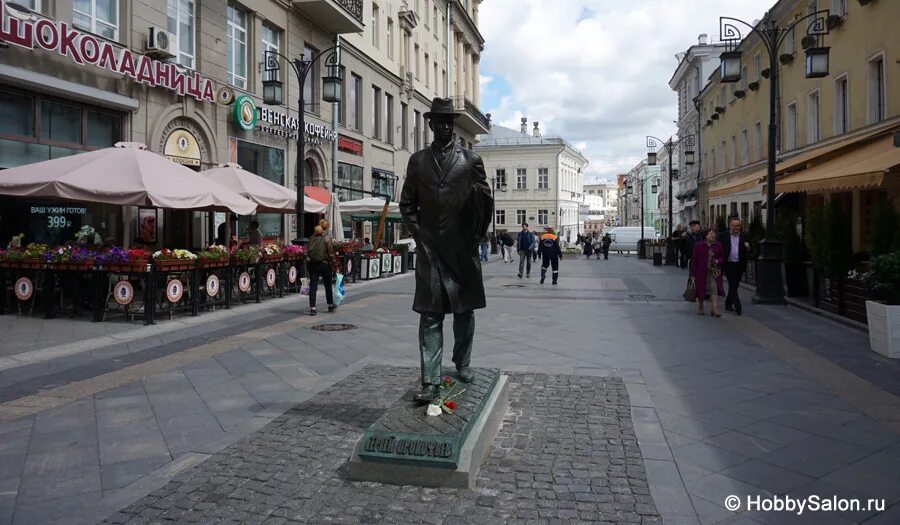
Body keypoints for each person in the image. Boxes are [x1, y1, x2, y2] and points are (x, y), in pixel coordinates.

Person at [399, 97, 493, 403]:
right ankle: (431, 379)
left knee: (464, 312)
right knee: (430, 315)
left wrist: (477, 235)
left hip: (462, 249)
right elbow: (407, 205)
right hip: (430, 250)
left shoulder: (469, 160)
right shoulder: (418, 161)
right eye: (440, 122)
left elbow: (486, 200)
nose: (445, 127)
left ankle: (462, 362)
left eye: (449, 122)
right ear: (430, 124)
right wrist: (420, 237)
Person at [690, 227, 725, 317]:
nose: (713, 235)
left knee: (714, 289)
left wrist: (718, 261)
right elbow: (694, 261)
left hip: (714, 272)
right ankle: (701, 306)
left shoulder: (718, 245)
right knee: (701, 289)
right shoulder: (699, 245)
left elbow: (722, 257)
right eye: (711, 233)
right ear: (706, 236)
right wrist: (693, 274)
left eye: (714, 233)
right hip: (701, 272)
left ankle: (714, 309)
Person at [718, 217, 750, 315]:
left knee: (735, 285)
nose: (736, 228)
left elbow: (750, 250)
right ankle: (737, 305)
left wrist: (748, 247)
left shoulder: (745, 236)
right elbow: (718, 248)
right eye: (734, 226)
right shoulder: (723, 235)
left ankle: (728, 303)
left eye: (738, 226)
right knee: (732, 283)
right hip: (728, 264)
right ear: (730, 226)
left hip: (740, 264)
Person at [306, 222, 340, 316]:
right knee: (327, 285)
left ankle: (312, 308)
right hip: (324, 264)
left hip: (312, 264)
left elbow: (308, 250)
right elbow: (331, 253)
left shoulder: (312, 237)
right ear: (326, 228)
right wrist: (335, 265)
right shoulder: (327, 237)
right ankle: (330, 305)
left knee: (313, 286)